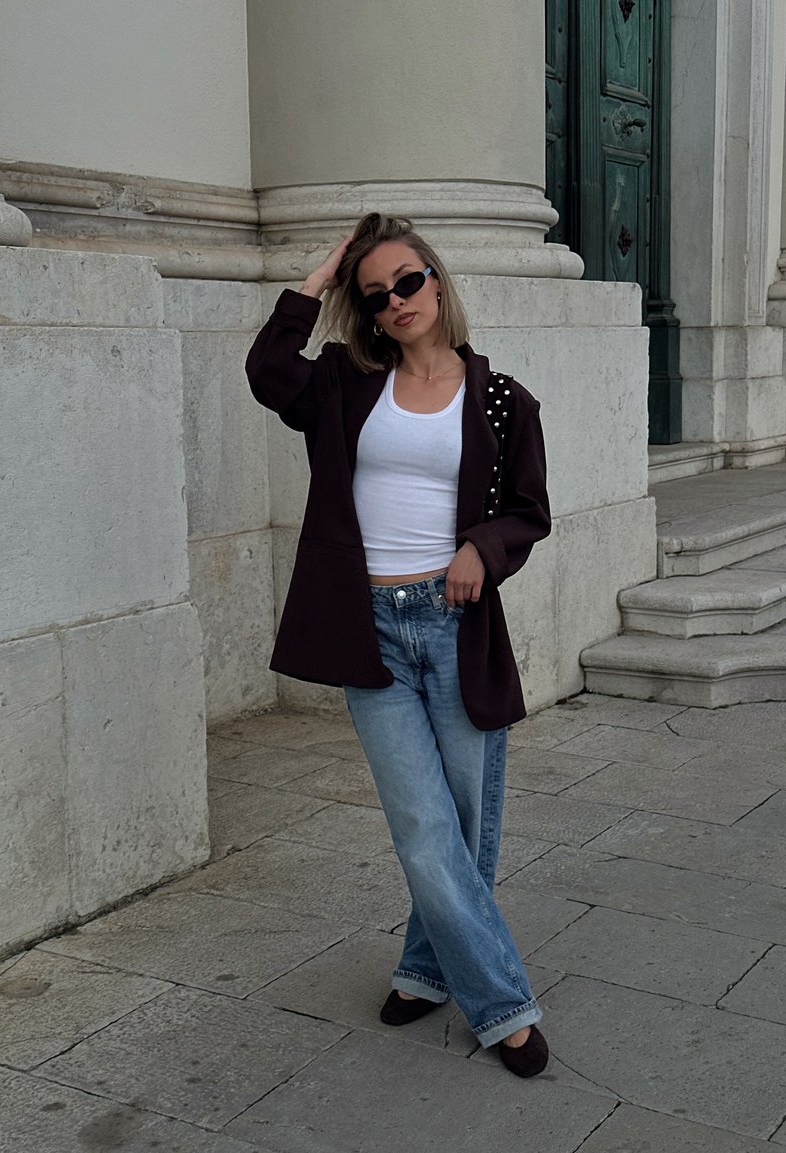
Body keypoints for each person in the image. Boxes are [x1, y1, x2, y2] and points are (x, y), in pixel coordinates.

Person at [246, 213, 552, 1078]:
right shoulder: (344, 381)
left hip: (455, 629)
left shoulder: (501, 399)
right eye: (376, 294)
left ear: (438, 279)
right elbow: (270, 375)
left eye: (408, 282)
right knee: (424, 826)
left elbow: (528, 511)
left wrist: (479, 551)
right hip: (369, 628)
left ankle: (425, 969)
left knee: (462, 826)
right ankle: (503, 1006)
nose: (396, 302)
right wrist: (314, 286)